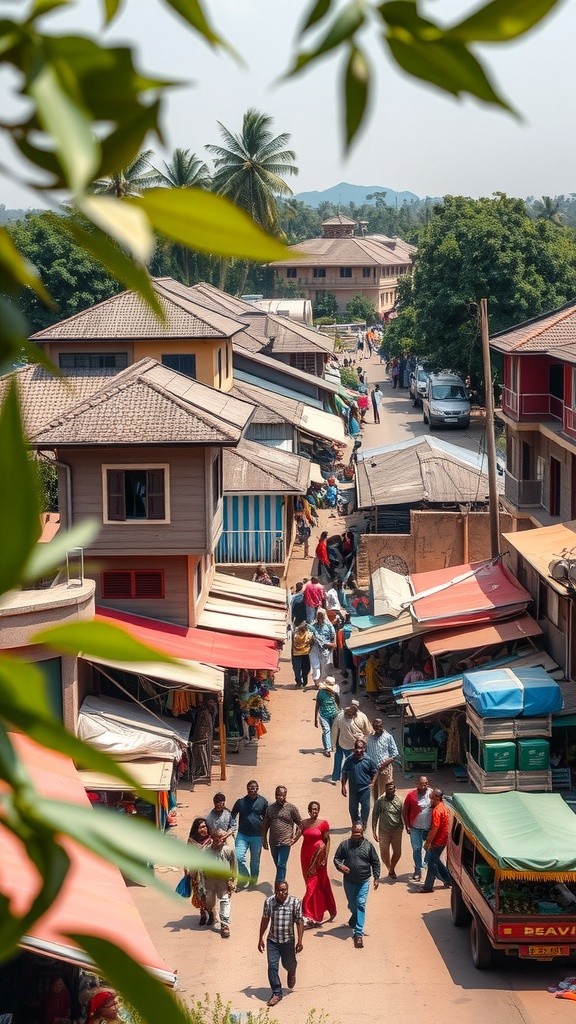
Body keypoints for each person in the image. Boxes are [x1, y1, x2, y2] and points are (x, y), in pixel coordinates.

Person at [333, 823, 380, 949]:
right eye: (355, 833)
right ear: (352, 831)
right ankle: (354, 917)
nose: (357, 835)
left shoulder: (368, 846)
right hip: (349, 881)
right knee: (352, 904)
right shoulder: (345, 845)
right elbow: (336, 859)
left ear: (362, 832)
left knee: (361, 903)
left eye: (359, 833)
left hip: (364, 881)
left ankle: (358, 934)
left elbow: (375, 862)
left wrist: (376, 877)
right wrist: (340, 866)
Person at [258, 881, 304, 1007]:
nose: (282, 893)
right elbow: (265, 920)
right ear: (275, 891)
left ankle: (292, 970)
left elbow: (299, 921)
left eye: (284, 890)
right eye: (279, 891)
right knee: (272, 966)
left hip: (288, 941)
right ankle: (277, 993)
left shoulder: (295, 902)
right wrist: (260, 938)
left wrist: (300, 940)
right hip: (272, 940)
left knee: (288, 964)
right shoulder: (269, 902)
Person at [299, 801, 336, 927]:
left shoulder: (323, 824)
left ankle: (311, 913)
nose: (314, 811)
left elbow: (327, 841)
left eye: (316, 809)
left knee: (318, 884)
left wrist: (325, 857)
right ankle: (312, 912)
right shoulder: (304, 823)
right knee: (310, 884)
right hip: (306, 856)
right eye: (312, 809)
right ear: (309, 811)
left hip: (320, 858)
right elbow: (296, 836)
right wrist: (287, 843)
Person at [231, 780, 268, 888]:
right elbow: (232, 815)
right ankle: (245, 876)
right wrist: (232, 829)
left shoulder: (263, 801)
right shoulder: (240, 802)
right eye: (251, 787)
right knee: (238, 857)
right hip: (242, 835)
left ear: (258, 788)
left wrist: (265, 836)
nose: (253, 789)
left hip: (257, 836)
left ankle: (253, 879)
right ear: (247, 789)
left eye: (255, 787)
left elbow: (267, 818)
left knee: (255, 861)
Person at [262, 786, 302, 884]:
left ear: (285, 795)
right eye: (278, 795)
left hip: (285, 841)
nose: (280, 797)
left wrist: (294, 839)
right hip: (273, 842)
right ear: (275, 795)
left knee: (281, 864)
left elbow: (300, 824)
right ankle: (282, 882)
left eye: (282, 795)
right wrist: (263, 839)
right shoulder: (270, 809)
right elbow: (265, 825)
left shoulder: (291, 808)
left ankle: (279, 887)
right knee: (278, 865)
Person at [204, 828, 237, 937]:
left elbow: (233, 865)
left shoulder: (228, 850)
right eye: (217, 837)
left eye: (222, 837)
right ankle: (211, 913)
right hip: (210, 881)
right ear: (212, 838)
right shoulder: (206, 851)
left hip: (223, 881)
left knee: (225, 901)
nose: (219, 840)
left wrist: (233, 880)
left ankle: (224, 925)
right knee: (209, 902)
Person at [331, 699, 372, 783]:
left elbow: (334, 731)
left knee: (346, 760)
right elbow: (368, 731)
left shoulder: (341, 716)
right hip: (349, 744)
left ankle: (338, 776)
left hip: (349, 744)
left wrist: (333, 744)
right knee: (352, 761)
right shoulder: (342, 716)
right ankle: (349, 776)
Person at [341, 739, 379, 827]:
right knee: (352, 809)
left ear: (364, 749)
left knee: (365, 808)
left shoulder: (368, 760)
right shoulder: (349, 760)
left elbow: (375, 771)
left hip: (365, 789)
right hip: (353, 789)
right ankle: (355, 824)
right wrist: (343, 786)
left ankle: (363, 824)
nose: (358, 750)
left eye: (361, 748)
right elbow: (344, 772)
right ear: (354, 748)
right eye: (357, 748)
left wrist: (372, 783)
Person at [402, 775, 433, 882]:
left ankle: (425, 864)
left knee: (429, 848)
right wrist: (406, 825)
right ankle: (418, 869)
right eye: (421, 784)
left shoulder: (432, 794)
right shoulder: (411, 795)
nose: (423, 786)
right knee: (417, 849)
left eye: (425, 784)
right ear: (417, 784)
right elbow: (405, 810)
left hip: (428, 827)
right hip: (414, 827)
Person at [421, 788, 452, 892]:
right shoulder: (443, 806)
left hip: (438, 841)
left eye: (433, 797)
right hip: (443, 839)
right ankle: (449, 880)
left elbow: (435, 828)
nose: (431, 799)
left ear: (437, 798)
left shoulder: (437, 810)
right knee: (436, 860)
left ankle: (428, 887)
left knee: (432, 863)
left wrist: (428, 842)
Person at [372, 780, 404, 879]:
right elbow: (375, 816)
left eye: (391, 788)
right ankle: (390, 868)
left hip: (397, 830)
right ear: (385, 790)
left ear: (395, 789)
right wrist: (374, 831)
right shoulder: (380, 802)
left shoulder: (400, 801)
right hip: (384, 831)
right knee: (384, 852)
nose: (390, 790)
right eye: (387, 789)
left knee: (398, 852)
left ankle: (392, 868)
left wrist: (407, 827)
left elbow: (404, 815)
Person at [366, 718, 400, 798]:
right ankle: (376, 807)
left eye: (379, 726)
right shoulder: (369, 738)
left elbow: (395, 754)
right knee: (374, 790)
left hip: (385, 769)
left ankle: (386, 808)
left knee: (386, 789)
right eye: (375, 727)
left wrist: (384, 764)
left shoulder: (388, 737)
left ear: (382, 726)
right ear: (373, 726)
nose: (378, 729)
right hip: (372, 770)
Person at [186, 816, 211, 924]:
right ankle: (202, 914)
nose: (203, 829)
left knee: (209, 893)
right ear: (196, 829)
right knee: (199, 894)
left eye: (205, 827)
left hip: (209, 872)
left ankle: (210, 912)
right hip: (195, 872)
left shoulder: (211, 840)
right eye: (201, 827)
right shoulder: (191, 841)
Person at [309, 608, 336, 687]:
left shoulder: (329, 626)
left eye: (321, 616)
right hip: (315, 648)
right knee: (315, 666)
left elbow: (333, 639)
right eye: (318, 616)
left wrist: (330, 645)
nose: (320, 618)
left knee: (324, 668)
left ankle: (323, 683)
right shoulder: (312, 626)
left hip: (325, 651)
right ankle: (317, 682)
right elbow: (308, 637)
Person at [314, 676, 340, 756]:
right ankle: (327, 749)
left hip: (334, 715)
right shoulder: (321, 693)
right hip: (323, 715)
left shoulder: (335, 693)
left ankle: (334, 746)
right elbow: (317, 705)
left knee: (334, 731)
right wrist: (315, 718)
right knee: (326, 730)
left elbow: (338, 703)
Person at [291, 620, 313, 688]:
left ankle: (299, 682)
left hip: (296, 654)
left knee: (297, 669)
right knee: (305, 669)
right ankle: (303, 682)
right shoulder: (309, 634)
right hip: (305, 654)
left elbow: (292, 644)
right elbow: (312, 643)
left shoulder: (294, 634)